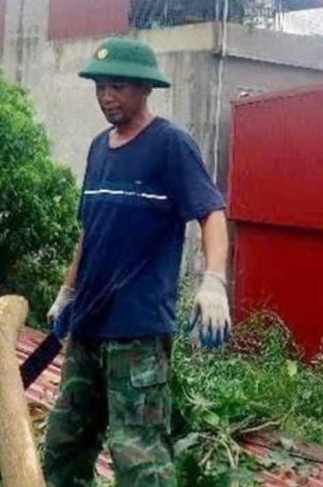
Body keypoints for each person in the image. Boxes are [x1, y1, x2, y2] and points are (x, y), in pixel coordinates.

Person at [42, 37, 231, 486]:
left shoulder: (170, 145)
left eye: (120, 87)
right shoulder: (97, 149)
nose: (108, 96)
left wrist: (214, 280)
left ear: (145, 89)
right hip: (88, 325)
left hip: (139, 330)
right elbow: (88, 231)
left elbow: (211, 213)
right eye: (101, 87)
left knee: (137, 455)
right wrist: (67, 292)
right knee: (64, 443)